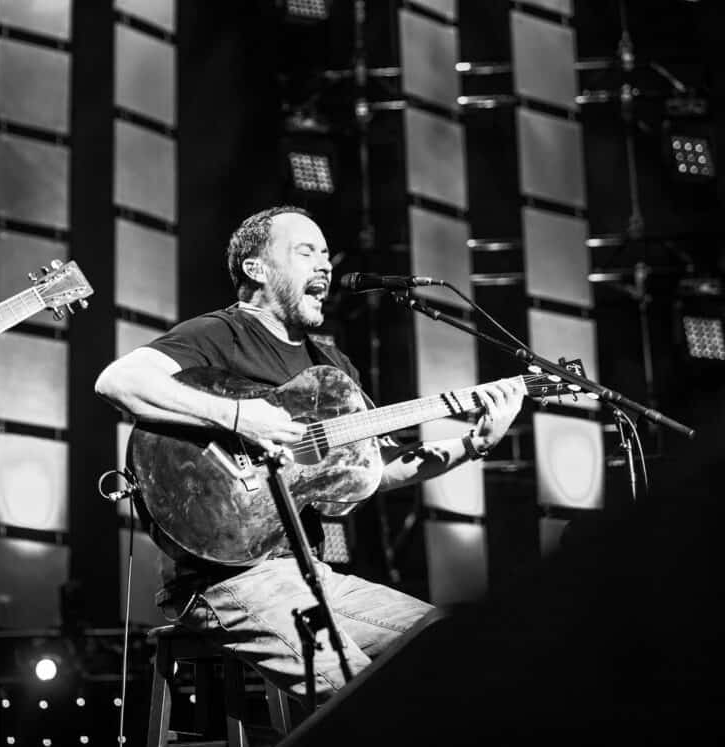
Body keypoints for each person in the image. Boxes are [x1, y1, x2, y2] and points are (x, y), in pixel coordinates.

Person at [94, 205, 525, 700]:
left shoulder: (332, 364)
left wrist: (475, 444)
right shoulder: (220, 333)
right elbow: (118, 381)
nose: (325, 265)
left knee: (459, 645)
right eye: (305, 252)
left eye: (326, 254)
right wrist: (240, 418)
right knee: (365, 696)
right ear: (256, 268)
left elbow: (373, 471)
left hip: (310, 572)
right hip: (226, 578)